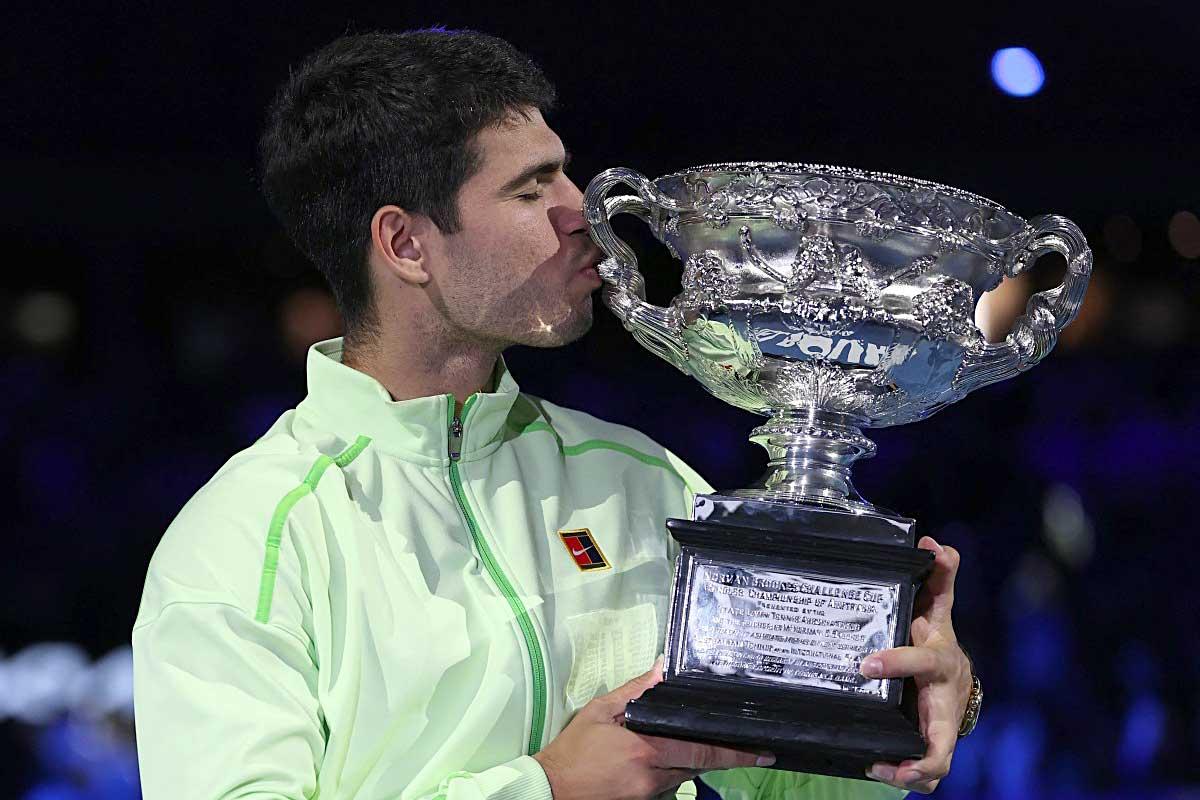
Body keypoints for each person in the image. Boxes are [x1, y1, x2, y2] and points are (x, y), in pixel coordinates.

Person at [132, 28, 975, 800]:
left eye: (565, 172)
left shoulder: (641, 481)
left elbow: (790, 787)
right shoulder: (251, 536)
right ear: (405, 245)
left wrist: (913, 706)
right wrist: (548, 789)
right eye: (532, 189)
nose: (585, 213)